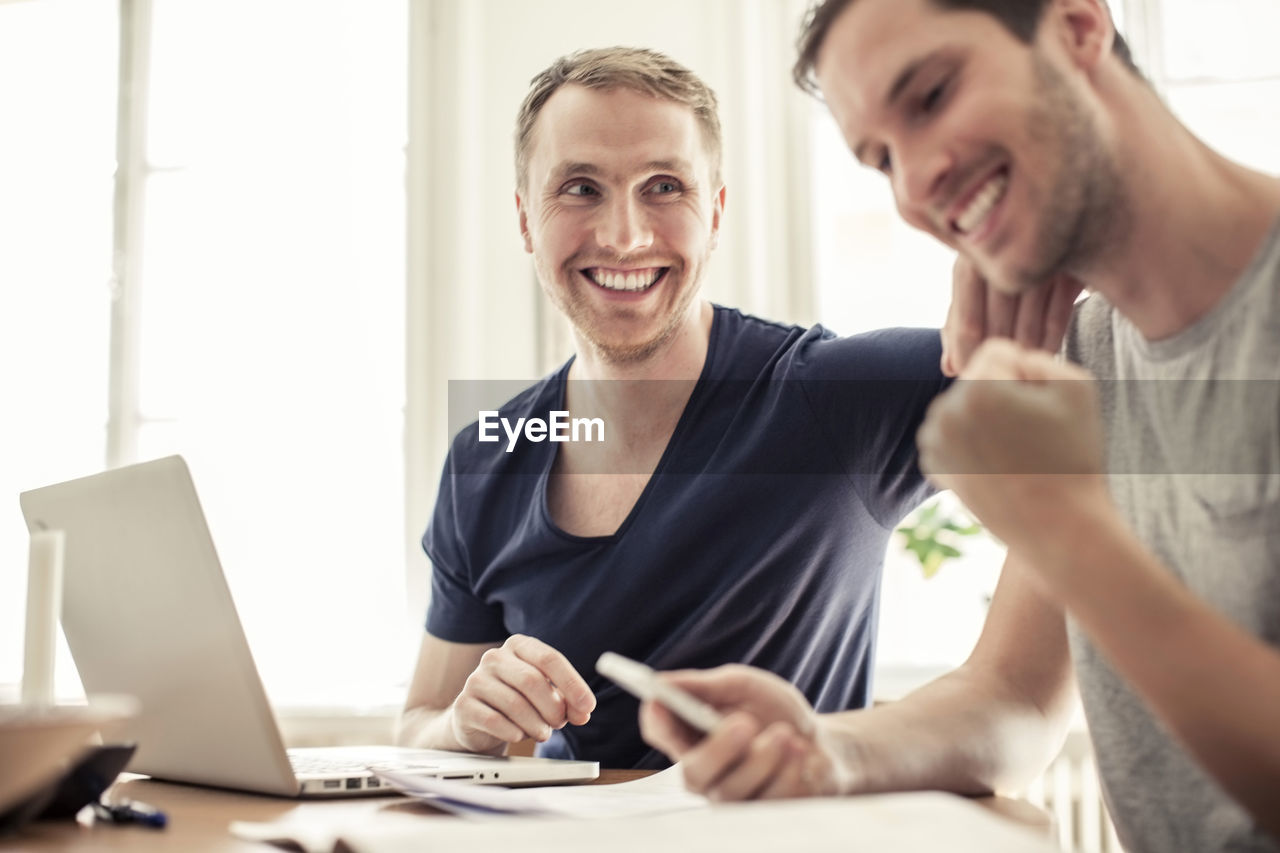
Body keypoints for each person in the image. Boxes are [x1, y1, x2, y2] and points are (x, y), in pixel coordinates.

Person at [639, 0, 1280, 849]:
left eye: (933, 95)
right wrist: (824, 749)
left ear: (1079, 26)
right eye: (881, 159)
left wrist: (1063, 526)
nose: (912, 187)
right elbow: (1012, 698)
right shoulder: (1085, 355)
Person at [394, 46, 950, 770]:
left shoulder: (831, 398)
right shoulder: (486, 456)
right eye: (580, 188)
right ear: (527, 220)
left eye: (663, 186)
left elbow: (1092, 369)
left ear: (714, 212)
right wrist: (463, 727)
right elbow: (418, 725)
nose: (624, 235)